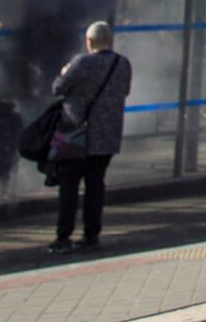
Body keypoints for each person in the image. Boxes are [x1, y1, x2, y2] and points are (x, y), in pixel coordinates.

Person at [48, 21, 132, 254]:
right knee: (95, 185)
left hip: (77, 134)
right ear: (110, 40)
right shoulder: (122, 63)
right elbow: (125, 91)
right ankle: (91, 235)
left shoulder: (81, 63)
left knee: (69, 185)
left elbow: (58, 88)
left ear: (89, 41)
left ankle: (63, 236)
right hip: (106, 137)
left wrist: (64, 73)